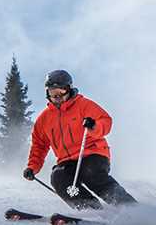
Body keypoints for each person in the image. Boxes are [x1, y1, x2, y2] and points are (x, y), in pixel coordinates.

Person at [22, 70, 136, 210]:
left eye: (60, 91)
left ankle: (129, 207)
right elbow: (39, 145)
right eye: (52, 93)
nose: (57, 96)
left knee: (91, 174)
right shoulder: (44, 119)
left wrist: (94, 125)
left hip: (92, 154)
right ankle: (90, 209)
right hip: (67, 161)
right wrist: (32, 167)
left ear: (68, 89)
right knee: (58, 177)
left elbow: (105, 121)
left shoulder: (83, 105)